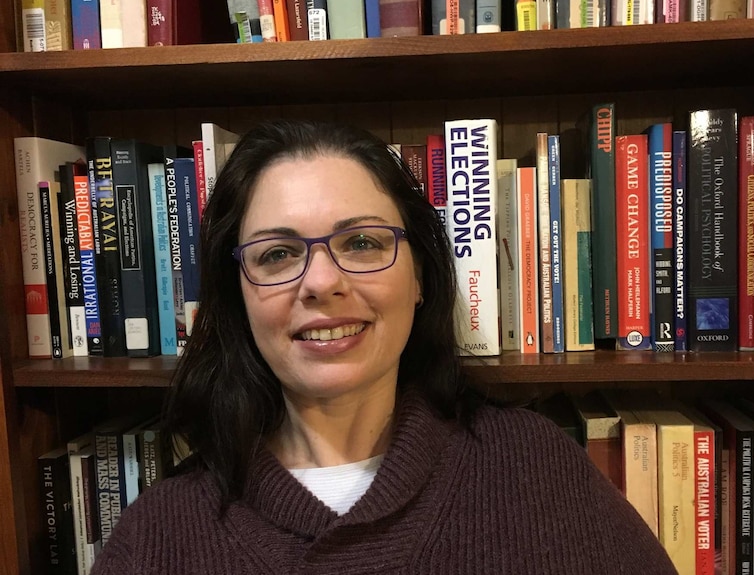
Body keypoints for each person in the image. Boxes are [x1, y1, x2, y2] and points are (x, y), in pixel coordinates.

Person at [91, 119, 678, 574]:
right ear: (237, 297)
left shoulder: (540, 474)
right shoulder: (158, 536)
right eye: (277, 254)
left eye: (364, 242)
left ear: (420, 277)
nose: (321, 282)